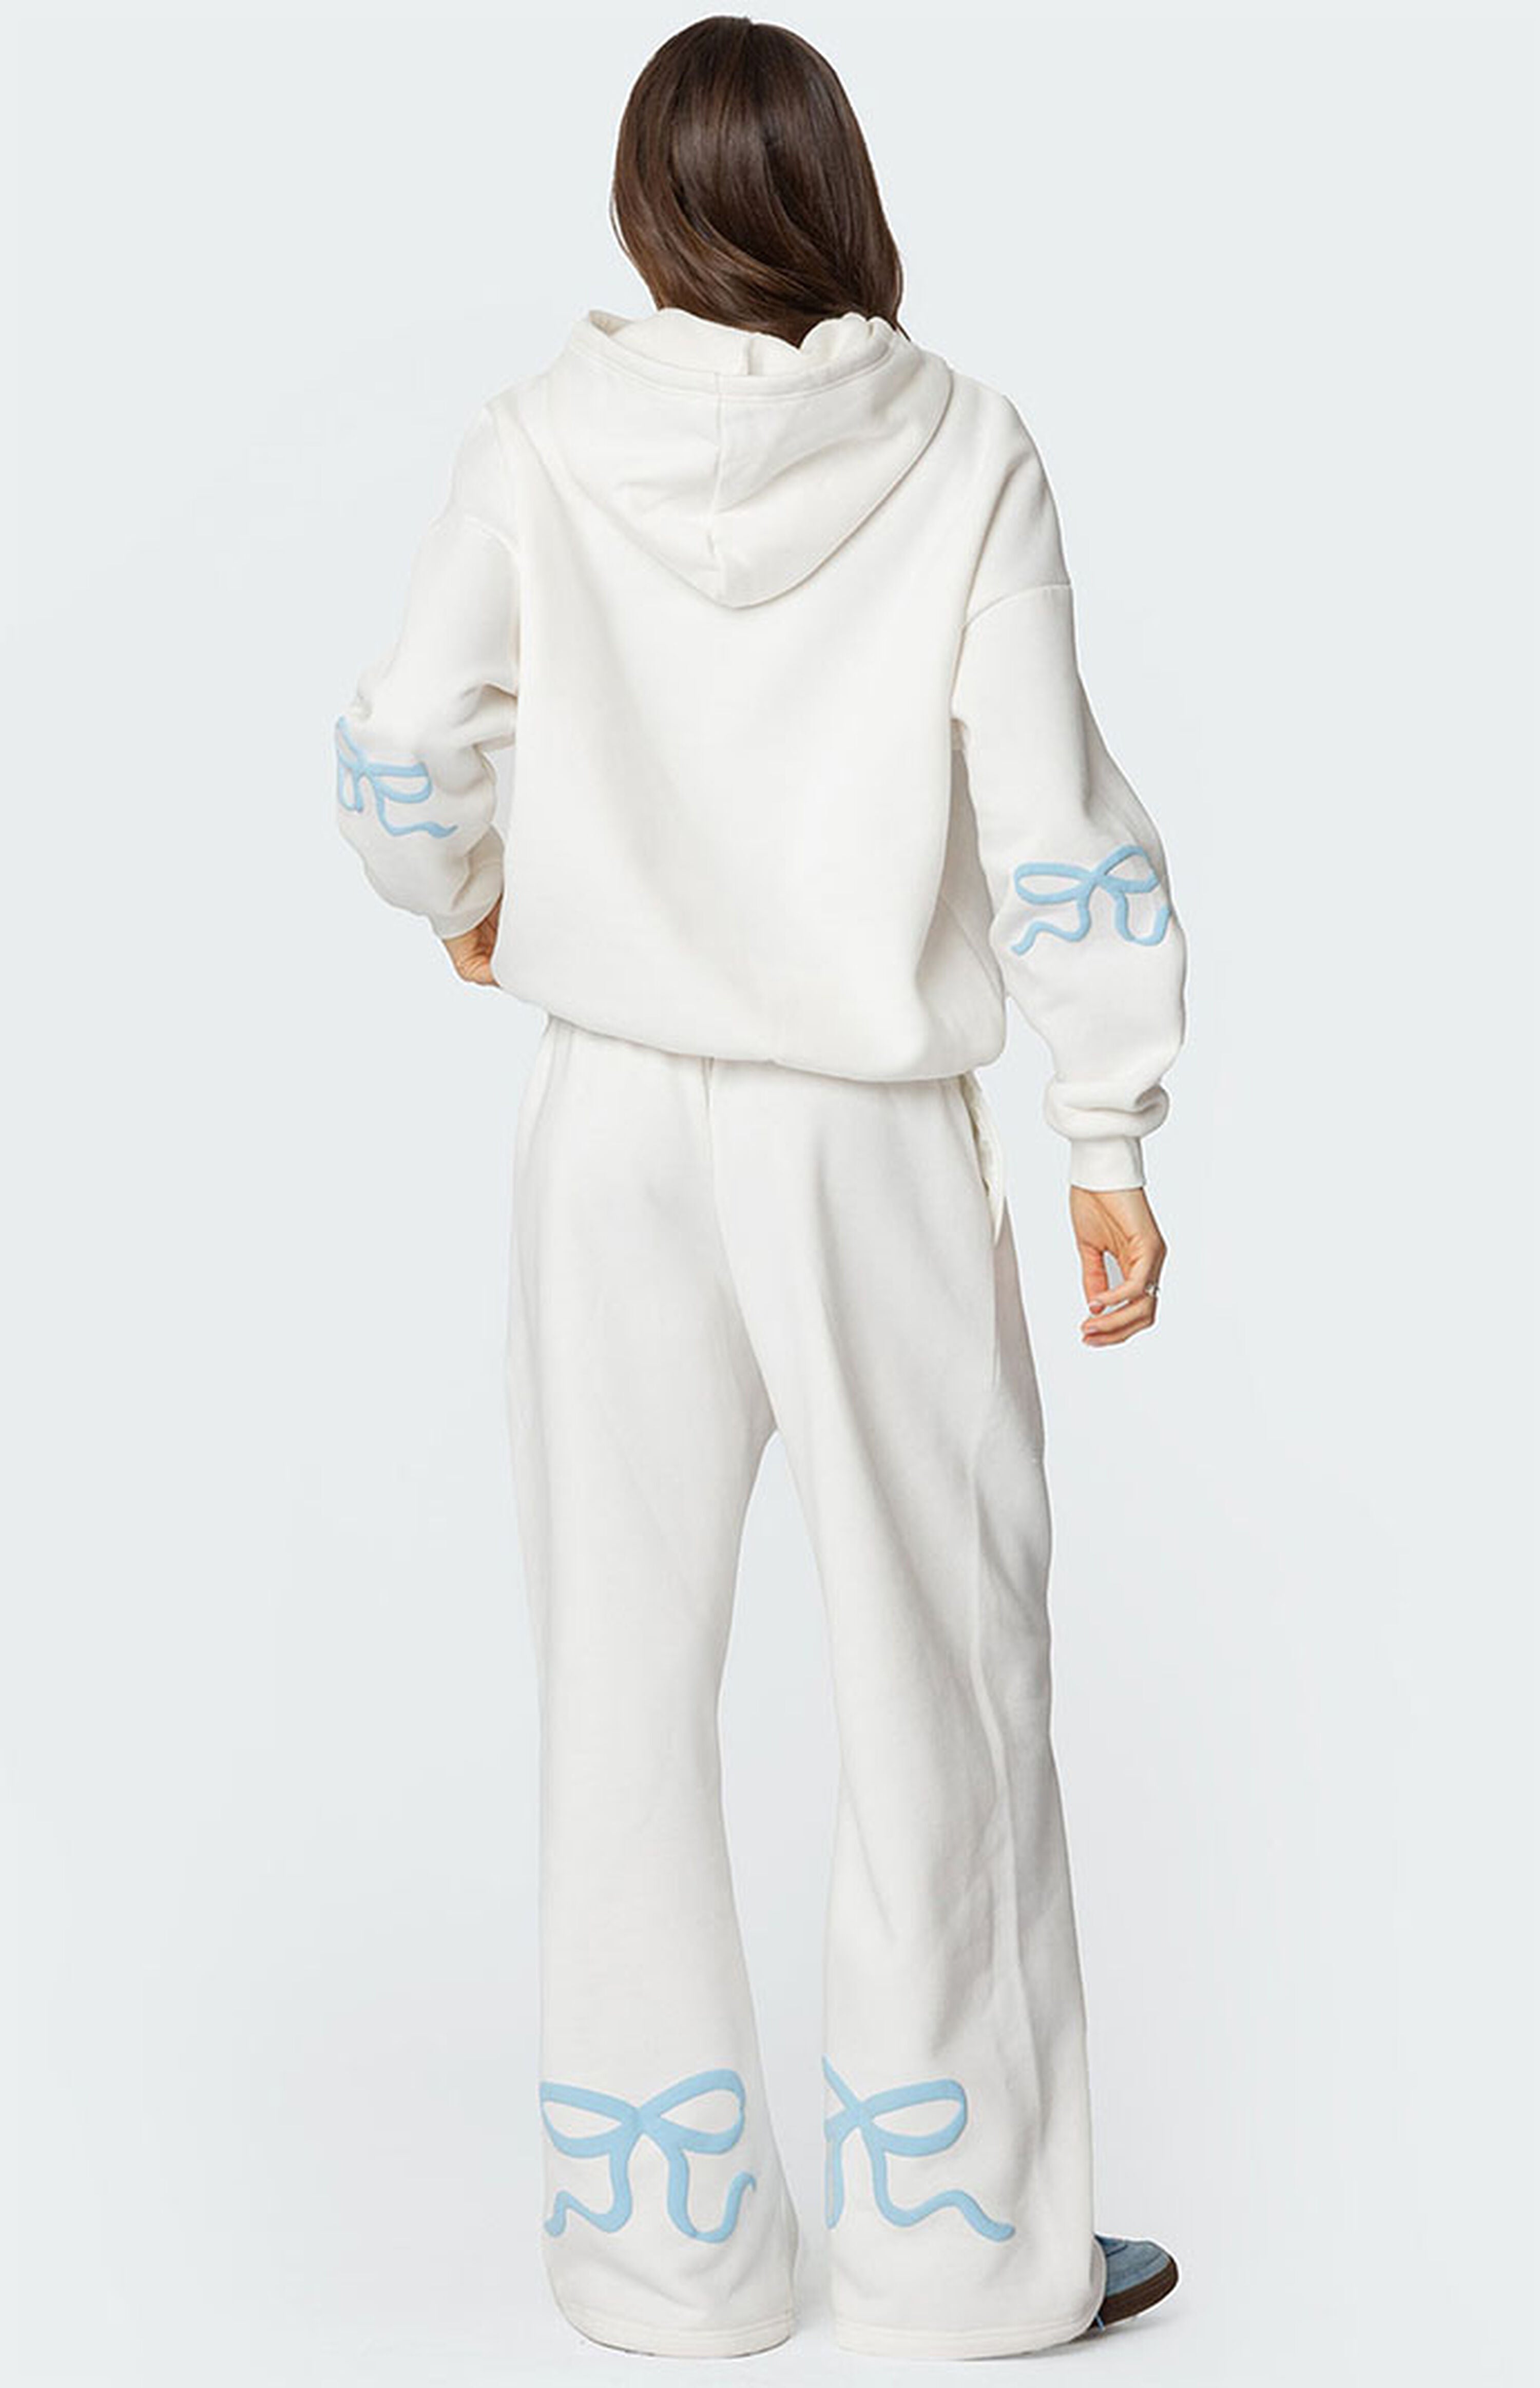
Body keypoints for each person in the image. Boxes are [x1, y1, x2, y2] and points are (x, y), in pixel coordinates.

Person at [334, 12, 1186, 2362]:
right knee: (942, 1669)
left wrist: (470, 890)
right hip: (867, 1132)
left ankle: (666, 2259)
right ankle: (962, 2255)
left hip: (613, 1119)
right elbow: (1051, 817)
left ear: (646, 209)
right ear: (840, 196)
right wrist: (1108, 1125)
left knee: (618, 1673)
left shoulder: (538, 439)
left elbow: (403, 743)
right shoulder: (965, 449)